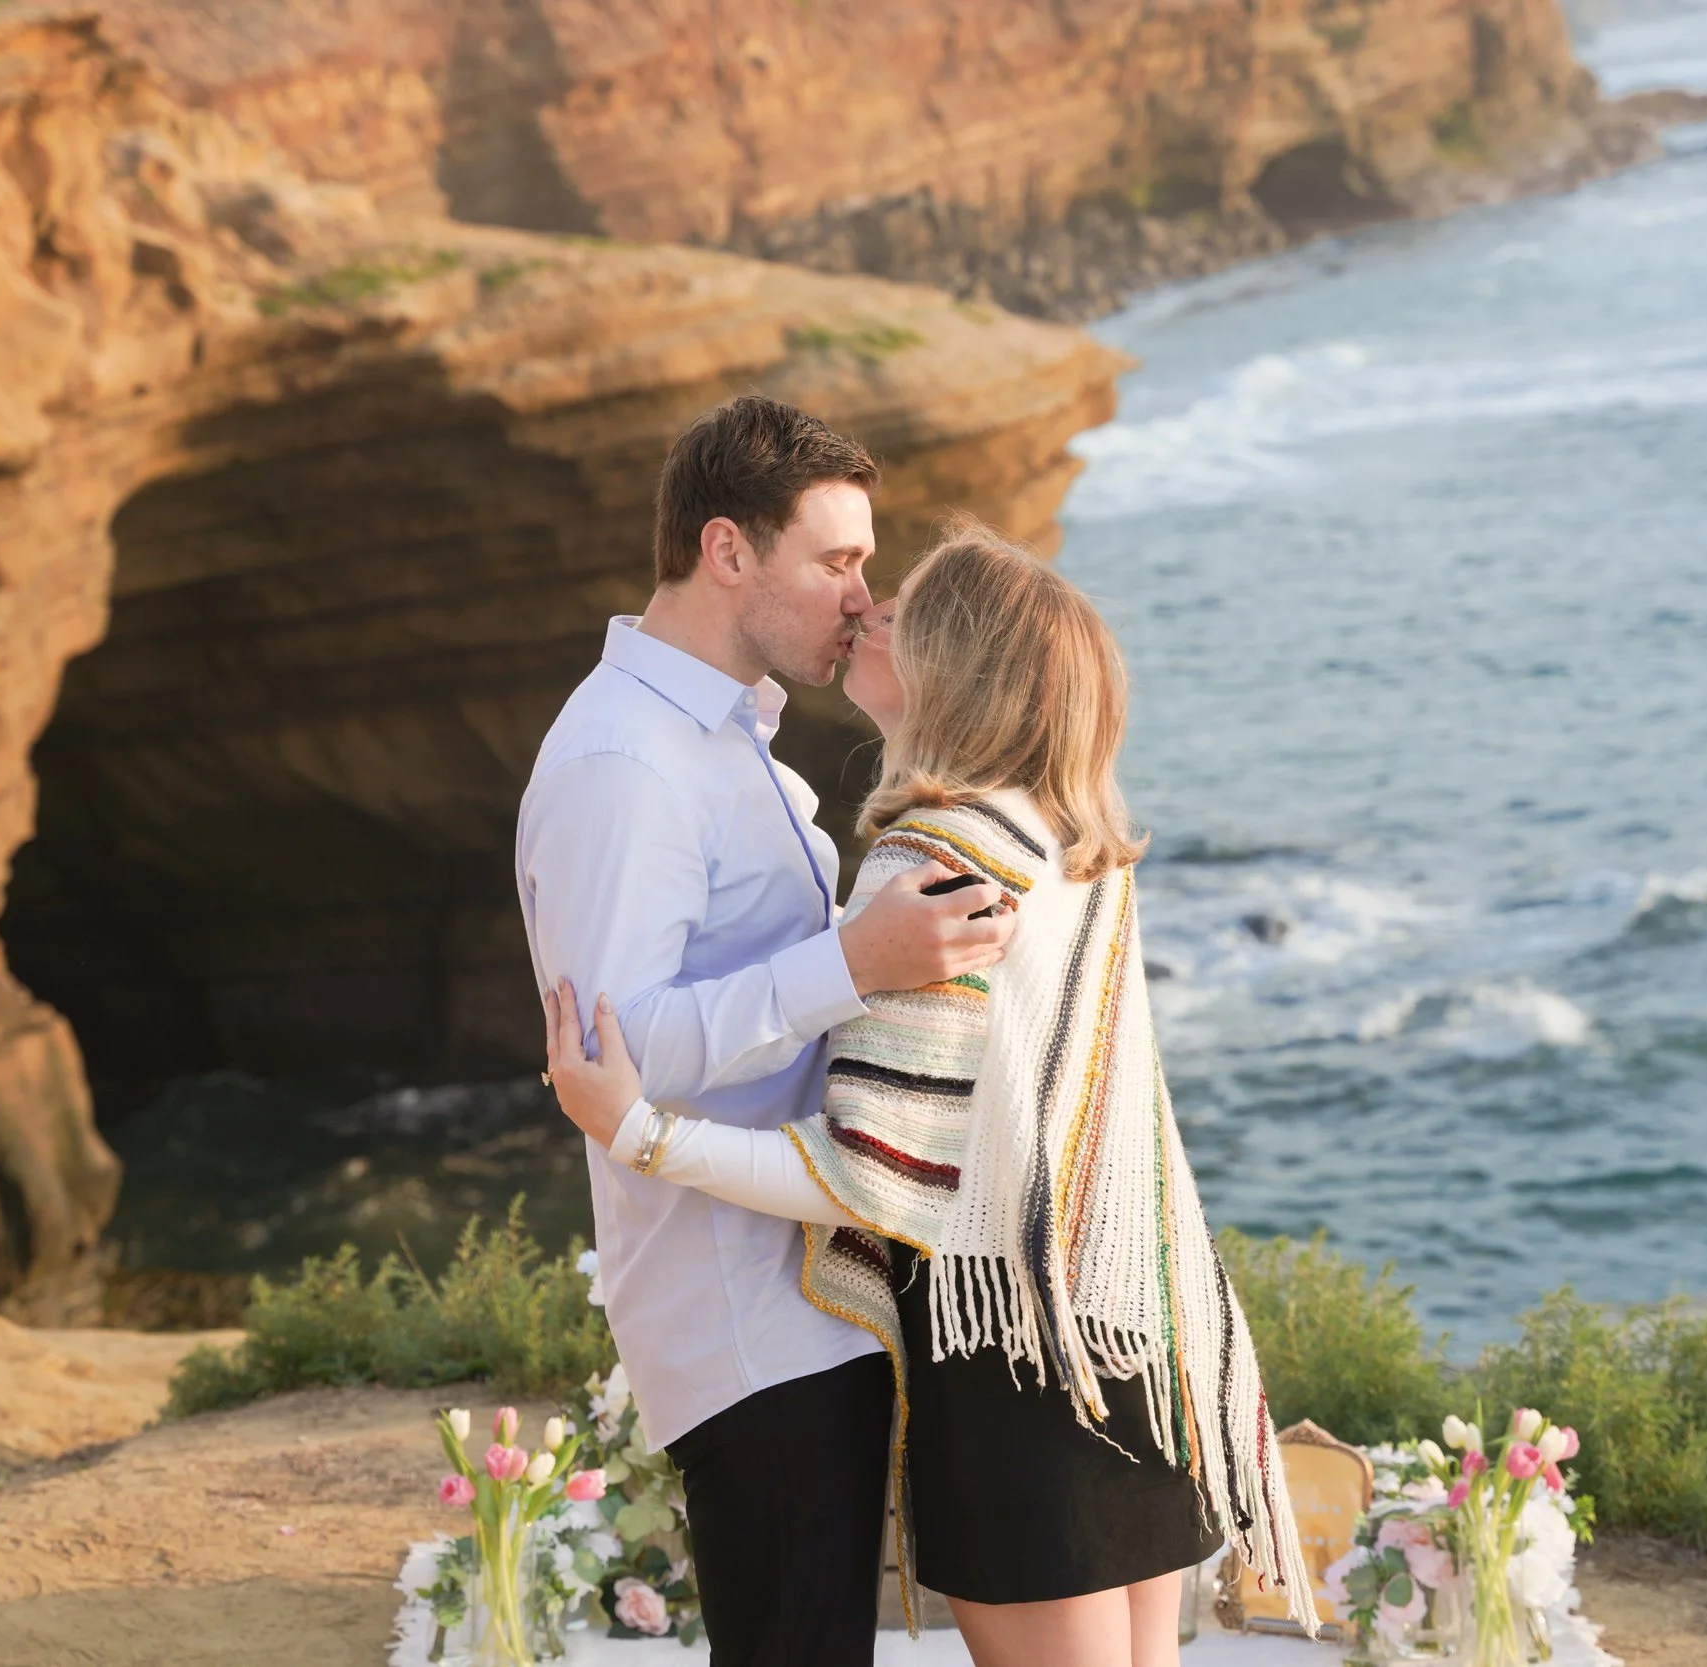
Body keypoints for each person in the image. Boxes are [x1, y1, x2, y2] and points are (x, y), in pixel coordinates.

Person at [541, 522, 1318, 1667]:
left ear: (952, 666)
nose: (866, 609)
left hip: (1016, 1355)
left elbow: (868, 1176)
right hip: (1131, 1321)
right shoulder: (1065, 837)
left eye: (900, 607)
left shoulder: (935, 859)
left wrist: (641, 1131)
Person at [513, 396, 1019, 1667]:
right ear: (728, 550)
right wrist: (853, 961)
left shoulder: (729, 740)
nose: (863, 596)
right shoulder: (625, 765)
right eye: (836, 561)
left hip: (803, 1285)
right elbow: (612, 1054)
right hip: (740, 1318)